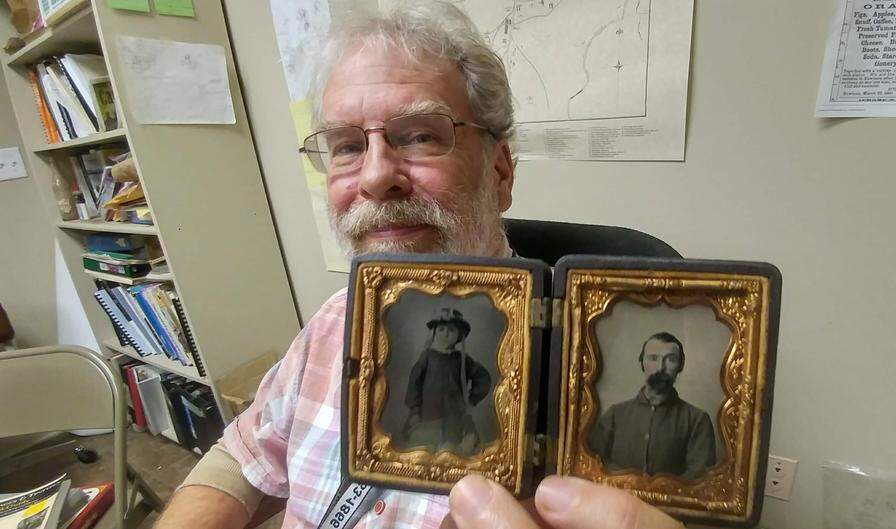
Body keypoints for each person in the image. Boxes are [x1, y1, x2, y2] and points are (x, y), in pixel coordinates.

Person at [156, 2, 684, 529]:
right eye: (345, 146)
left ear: (500, 172)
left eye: (420, 136)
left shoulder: (592, 376)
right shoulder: (337, 318)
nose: (375, 177)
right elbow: (241, 458)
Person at [588, 332, 717, 480]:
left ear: (680, 366)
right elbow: (593, 466)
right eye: (653, 358)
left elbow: (699, 479)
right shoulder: (614, 415)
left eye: (671, 360)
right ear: (642, 362)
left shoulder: (697, 420)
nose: (660, 368)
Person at [401, 308, 491, 455]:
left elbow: (483, 377)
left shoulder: (462, 359)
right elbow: (414, 383)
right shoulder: (427, 357)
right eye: (441, 329)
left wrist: (472, 399)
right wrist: (415, 410)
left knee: (451, 451)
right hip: (428, 414)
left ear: (459, 335)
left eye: (451, 330)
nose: (446, 333)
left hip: (454, 417)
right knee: (425, 451)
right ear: (435, 332)